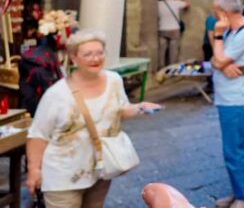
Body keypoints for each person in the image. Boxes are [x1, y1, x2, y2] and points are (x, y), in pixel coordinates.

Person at [26, 30, 161, 208]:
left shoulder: (114, 80)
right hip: (63, 175)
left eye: (99, 52)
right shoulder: (57, 94)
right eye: (87, 54)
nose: (95, 58)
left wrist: (139, 108)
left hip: (100, 169)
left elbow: (119, 110)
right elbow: (38, 135)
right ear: (74, 58)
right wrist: (34, 170)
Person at [210, 0, 244, 208]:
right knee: (231, 147)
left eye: (215, 14)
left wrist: (218, 41)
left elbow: (219, 58)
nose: (213, 18)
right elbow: (214, 60)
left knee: (233, 148)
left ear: (224, 13)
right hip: (226, 94)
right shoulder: (233, 31)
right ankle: (238, 190)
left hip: (234, 97)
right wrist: (221, 62)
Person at [157, 0, 189, 71]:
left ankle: (161, 68)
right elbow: (187, 4)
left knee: (162, 50)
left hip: (162, 29)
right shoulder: (176, 3)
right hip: (174, 29)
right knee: (173, 50)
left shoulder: (158, 4)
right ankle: (172, 69)